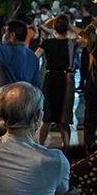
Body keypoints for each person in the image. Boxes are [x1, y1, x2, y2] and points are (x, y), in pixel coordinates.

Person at [37, 16, 76, 151]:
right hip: (66, 80)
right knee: (63, 118)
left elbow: (36, 56)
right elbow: (85, 36)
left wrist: (51, 20)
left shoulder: (47, 43)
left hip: (50, 79)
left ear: (54, 27)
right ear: (68, 28)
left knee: (47, 116)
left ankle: (39, 147)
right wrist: (71, 27)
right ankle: (67, 149)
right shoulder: (72, 43)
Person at [83, 17, 97, 150]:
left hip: (95, 90)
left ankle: (88, 152)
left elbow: (91, 42)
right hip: (95, 90)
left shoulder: (95, 46)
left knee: (90, 124)